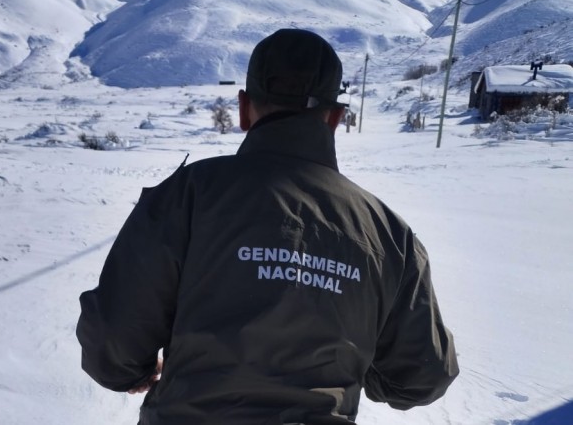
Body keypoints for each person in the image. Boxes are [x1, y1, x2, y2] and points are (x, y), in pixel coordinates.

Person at [77, 28, 459, 425]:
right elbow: (422, 377)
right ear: (335, 118)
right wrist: (359, 364)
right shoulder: (388, 235)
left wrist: (133, 371)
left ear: (244, 109)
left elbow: (113, 341)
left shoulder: (187, 195)